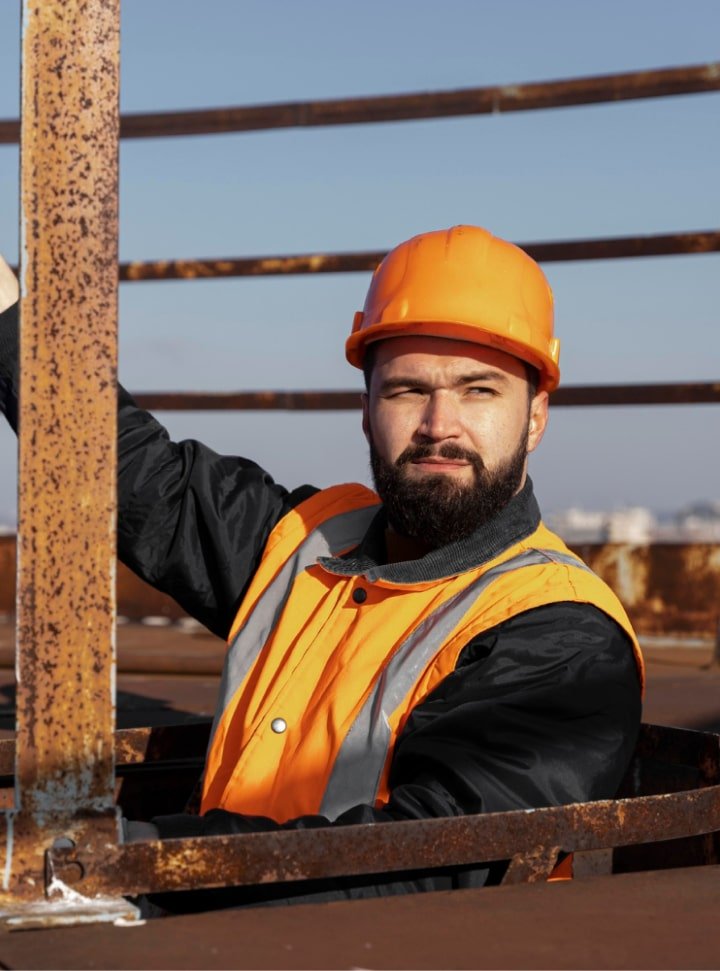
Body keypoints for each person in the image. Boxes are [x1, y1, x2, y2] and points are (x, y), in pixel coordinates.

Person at [0, 225, 643, 906]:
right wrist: (9, 314)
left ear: (536, 415)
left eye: (478, 390)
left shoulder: (563, 633)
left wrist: (123, 860)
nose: (439, 424)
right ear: (366, 411)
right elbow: (141, 478)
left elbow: (424, 859)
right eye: (405, 390)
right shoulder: (306, 545)